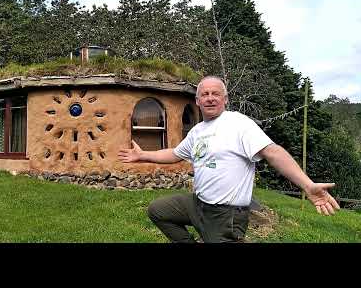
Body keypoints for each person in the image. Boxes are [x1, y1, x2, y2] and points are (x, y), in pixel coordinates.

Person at [118, 76, 341, 243]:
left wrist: (307, 185)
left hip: (226, 215)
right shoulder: (197, 131)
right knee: (159, 210)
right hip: (198, 204)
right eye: (204, 94)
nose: (210, 98)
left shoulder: (238, 124)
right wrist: (143, 155)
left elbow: (273, 152)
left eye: (216, 94)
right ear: (197, 100)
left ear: (225, 99)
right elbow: (176, 153)